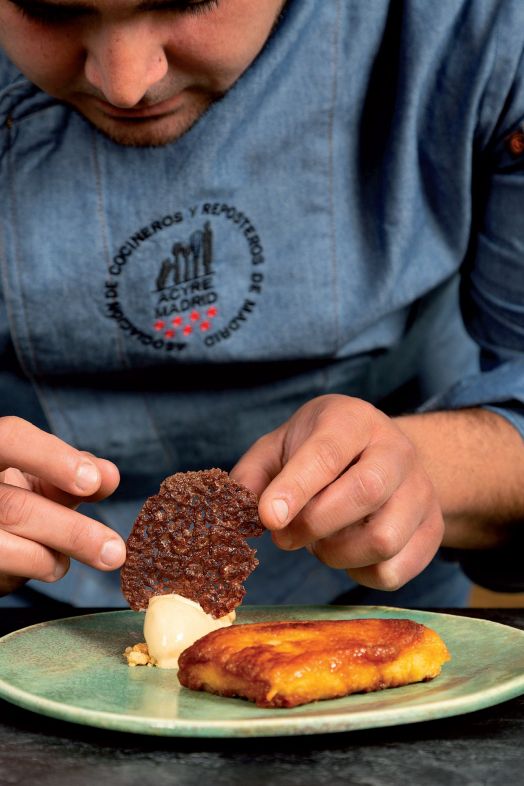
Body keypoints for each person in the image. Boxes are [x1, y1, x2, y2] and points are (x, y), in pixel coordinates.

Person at [0, 0, 522, 611]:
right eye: (47, 11)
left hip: (384, 607)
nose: (127, 81)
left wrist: (416, 468)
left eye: (186, 1)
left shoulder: (482, 25)